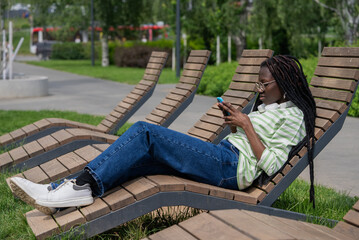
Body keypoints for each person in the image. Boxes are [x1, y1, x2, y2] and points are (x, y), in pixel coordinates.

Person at [10, 55, 316, 215]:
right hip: (225, 157)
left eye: (264, 85)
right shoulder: (269, 107)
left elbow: (273, 163)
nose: (258, 91)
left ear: (285, 82)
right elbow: (251, 145)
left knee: (145, 133)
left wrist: (246, 126)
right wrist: (236, 125)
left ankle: (74, 189)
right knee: (139, 157)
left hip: (230, 169)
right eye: (257, 84)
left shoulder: (294, 116)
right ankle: (60, 191)